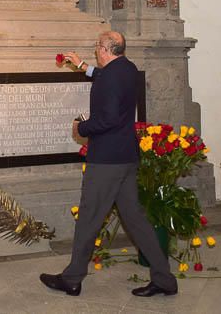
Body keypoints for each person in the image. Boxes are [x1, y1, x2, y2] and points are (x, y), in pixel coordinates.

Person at [40, 31, 178, 298]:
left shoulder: (111, 76)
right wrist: (82, 66)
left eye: (96, 47)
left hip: (106, 162)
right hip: (125, 158)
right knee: (136, 220)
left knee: (89, 219)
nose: (95, 51)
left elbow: (109, 119)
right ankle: (164, 279)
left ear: (105, 49)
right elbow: (105, 77)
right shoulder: (127, 68)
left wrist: (83, 127)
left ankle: (72, 278)